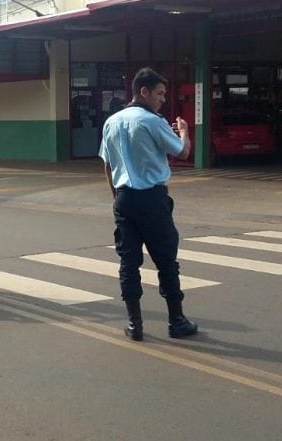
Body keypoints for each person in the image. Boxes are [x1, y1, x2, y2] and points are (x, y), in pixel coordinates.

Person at [98, 67, 198, 342]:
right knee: (166, 261)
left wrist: (116, 197)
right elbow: (182, 151)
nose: (163, 99)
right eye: (160, 93)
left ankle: (134, 324)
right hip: (152, 199)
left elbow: (107, 165)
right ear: (144, 92)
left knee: (128, 263)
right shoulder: (153, 122)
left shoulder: (112, 122)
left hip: (123, 198)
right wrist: (185, 132)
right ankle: (176, 320)